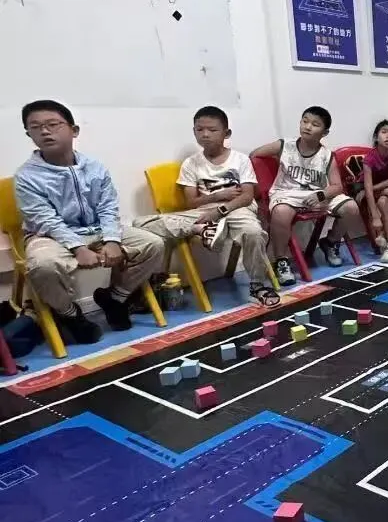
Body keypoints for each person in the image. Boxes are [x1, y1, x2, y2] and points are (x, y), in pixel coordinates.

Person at [14, 100, 165, 344]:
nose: (45, 131)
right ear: (28, 134)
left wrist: (112, 240)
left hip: (96, 229)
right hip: (49, 236)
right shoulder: (26, 176)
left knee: (153, 244)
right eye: (36, 127)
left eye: (52, 124)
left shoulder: (95, 167)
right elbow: (45, 219)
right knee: (43, 266)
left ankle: (115, 299)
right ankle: (70, 315)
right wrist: (78, 247)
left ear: (74, 130)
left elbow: (107, 206)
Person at [134, 106, 279, 306]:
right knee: (140, 223)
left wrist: (221, 210)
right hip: (204, 212)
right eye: (199, 129)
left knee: (253, 232)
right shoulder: (190, 164)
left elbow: (247, 196)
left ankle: (257, 285)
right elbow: (191, 202)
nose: (205, 134)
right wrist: (216, 196)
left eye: (212, 130)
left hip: (237, 209)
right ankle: (200, 229)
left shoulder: (240, 159)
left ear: (226, 133)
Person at [251, 106, 360, 285]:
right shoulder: (284, 145)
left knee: (351, 207)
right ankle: (281, 261)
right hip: (287, 193)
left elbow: (337, 186)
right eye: (305, 121)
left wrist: (321, 195)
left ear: (325, 132)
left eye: (315, 124)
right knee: (280, 213)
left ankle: (331, 242)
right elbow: (255, 155)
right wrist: (273, 165)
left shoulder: (327, 155)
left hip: (317, 194)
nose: (307, 126)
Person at [362, 119, 388, 263]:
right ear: (376, 137)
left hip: (381, 189)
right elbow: (367, 187)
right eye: (384, 132)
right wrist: (375, 216)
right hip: (362, 190)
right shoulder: (369, 158)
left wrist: (374, 189)